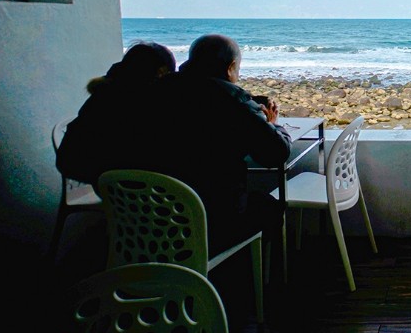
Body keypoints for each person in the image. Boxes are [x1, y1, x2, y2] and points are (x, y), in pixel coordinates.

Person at [134, 34, 291, 258]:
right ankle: (250, 283)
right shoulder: (233, 102)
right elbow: (275, 154)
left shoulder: (155, 91)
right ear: (231, 67)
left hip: (153, 219)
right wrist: (273, 125)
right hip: (213, 220)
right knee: (270, 209)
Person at [56, 41, 176, 189]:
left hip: (111, 195)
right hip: (155, 198)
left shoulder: (101, 96)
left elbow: (68, 161)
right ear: (161, 72)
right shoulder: (156, 106)